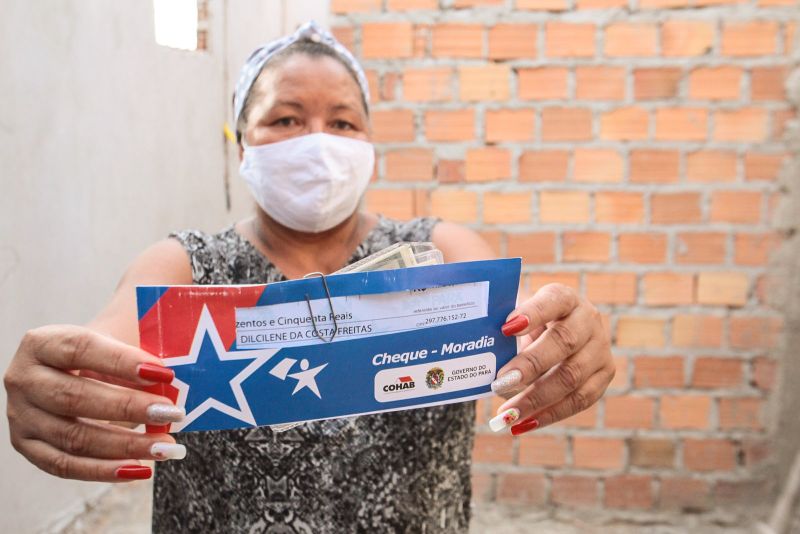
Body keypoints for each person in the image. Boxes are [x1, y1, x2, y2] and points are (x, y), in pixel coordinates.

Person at [4, 21, 614, 533]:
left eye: (344, 123)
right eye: (286, 120)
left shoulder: (433, 251)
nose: (318, 143)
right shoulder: (188, 266)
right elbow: (108, 341)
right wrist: (62, 382)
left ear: (370, 145)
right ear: (242, 145)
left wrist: (562, 335)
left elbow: (522, 316)